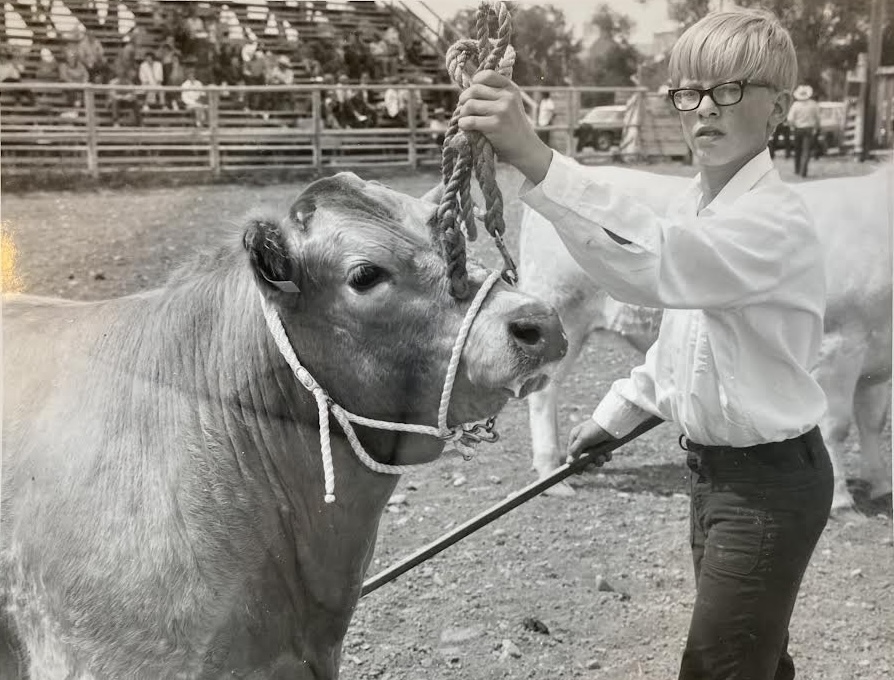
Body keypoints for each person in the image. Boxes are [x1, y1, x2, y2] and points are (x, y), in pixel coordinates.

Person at [458, 8, 833, 680]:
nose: (704, 108)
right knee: (753, 659)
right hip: (718, 477)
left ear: (778, 108)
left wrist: (534, 156)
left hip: (768, 488)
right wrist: (616, 417)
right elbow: (682, 345)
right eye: (689, 92)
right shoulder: (701, 205)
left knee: (718, 667)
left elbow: (654, 263)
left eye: (729, 90)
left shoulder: (771, 222)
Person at [787, 84, 820, 178]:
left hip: (798, 129)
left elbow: (790, 119)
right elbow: (817, 118)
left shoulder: (796, 105)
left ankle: (797, 169)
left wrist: (792, 127)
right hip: (809, 129)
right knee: (806, 151)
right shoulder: (813, 104)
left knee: (797, 150)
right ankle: (803, 171)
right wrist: (816, 128)